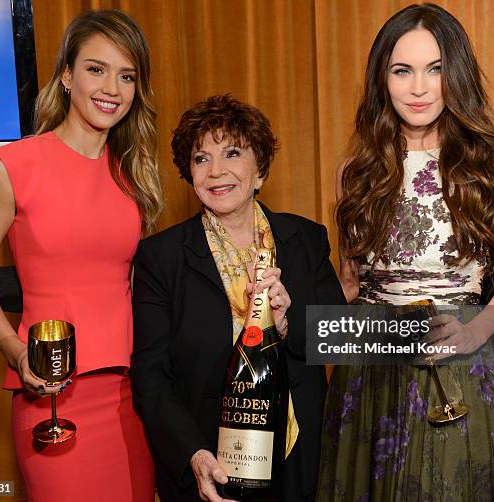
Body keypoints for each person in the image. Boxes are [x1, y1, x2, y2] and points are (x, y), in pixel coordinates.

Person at [317, 3, 494, 501]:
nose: (418, 88)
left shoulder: (493, 167)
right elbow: (349, 281)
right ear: (382, 78)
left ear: (454, 75)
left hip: (452, 361)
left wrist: (476, 330)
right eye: (402, 71)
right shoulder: (356, 169)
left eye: (435, 69)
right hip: (368, 369)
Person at [0, 9, 160, 501]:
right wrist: (15, 350)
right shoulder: (14, 165)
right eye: (96, 68)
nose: (112, 86)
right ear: (67, 76)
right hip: (52, 400)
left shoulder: (134, 178)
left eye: (127, 75)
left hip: (129, 399)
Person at [131, 94, 346, 501]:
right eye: (201, 158)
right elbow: (150, 376)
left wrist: (286, 323)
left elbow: (337, 337)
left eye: (232, 153)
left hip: (301, 461)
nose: (217, 171)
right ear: (188, 172)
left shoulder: (305, 239)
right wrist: (192, 454)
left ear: (260, 170)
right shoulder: (161, 258)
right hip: (212, 463)